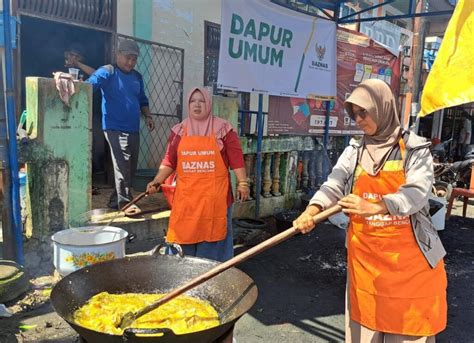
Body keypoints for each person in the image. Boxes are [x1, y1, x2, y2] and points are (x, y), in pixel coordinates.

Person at [293, 79, 447, 342]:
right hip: (366, 266)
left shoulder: (414, 149)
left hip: (410, 266)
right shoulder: (354, 150)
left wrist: (375, 205)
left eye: (364, 112)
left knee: (408, 333)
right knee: (365, 331)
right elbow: (334, 184)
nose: (358, 119)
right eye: (354, 113)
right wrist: (312, 209)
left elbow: (417, 193)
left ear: (382, 108)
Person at [146, 87, 249, 262]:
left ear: (208, 104)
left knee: (214, 240)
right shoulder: (179, 131)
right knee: (184, 237)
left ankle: (213, 277)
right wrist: (157, 181)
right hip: (187, 199)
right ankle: (186, 279)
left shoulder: (223, 129)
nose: (197, 105)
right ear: (188, 104)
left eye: (201, 101)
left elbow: (236, 158)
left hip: (215, 199)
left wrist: (243, 183)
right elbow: (170, 161)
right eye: (193, 101)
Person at [87, 39, 155, 214]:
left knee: (130, 166)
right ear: (118, 55)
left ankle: (114, 199)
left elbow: (142, 99)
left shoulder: (137, 77)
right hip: (113, 127)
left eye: (134, 59)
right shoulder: (108, 72)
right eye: (127, 58)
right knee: (123, 163)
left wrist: (148, 116)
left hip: (133, 128)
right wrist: (73, 84)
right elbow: (90, 84)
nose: (130, 62)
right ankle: (125, 202)